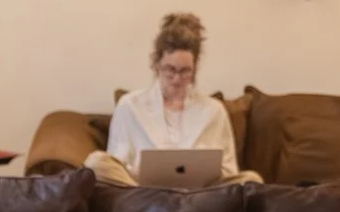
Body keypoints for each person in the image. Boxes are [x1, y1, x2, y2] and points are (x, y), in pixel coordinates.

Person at [87, 12, 241, 183]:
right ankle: (162, 204)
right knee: (96, 163)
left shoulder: (214, 111)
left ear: (195, 69)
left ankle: (182, 205)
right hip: (144, 192)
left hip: (199, 195)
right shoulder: (130, 105)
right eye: (170, 69)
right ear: (156, 65)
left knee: (251, 179)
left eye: (185, 71)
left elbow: (229, 170)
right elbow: (117, 162)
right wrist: (140, 171)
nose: (177, 79)